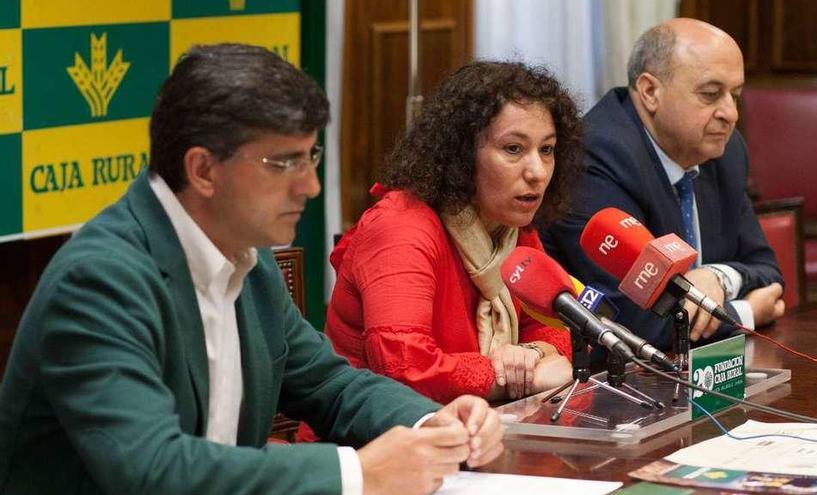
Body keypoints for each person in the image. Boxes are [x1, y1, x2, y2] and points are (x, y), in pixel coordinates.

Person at [0, 44, 502, 495]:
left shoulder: (248, 257)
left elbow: (330, 384)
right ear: (202, 170)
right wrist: (358, 474)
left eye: (310, 157)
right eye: (284, 163)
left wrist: (431, 422)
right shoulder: (100, 281)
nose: (309, 186)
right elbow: (151, 470)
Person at [324, 62, 581, 407]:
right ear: (462, 153)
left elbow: (560, 325)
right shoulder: (400, 230)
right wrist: (514, 377)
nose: (537, 172)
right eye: (514, 149)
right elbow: (406, 369)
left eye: (546, 150)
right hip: (375, 441)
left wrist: (531, 352)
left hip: (479, 430)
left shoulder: (512, 228)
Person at [540, 18, 785, 352]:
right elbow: (637, 324)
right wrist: (747, 311)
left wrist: (718, 277)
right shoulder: (595, 157)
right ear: (650, 91)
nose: (731, 113)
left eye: (735, 95)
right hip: (606, 383)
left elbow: (768, 271)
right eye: (711, 94)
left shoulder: (725, 152)